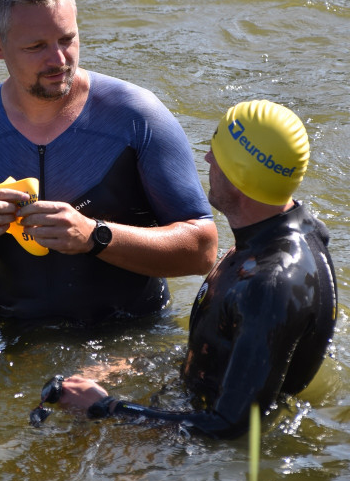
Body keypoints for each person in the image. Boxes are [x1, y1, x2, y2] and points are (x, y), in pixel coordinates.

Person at [0, 0, 217, 324]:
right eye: (36, 47)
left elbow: (202, 249)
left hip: (129, 336)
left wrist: (95, 236)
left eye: (67, 39)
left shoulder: (135, 117)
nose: (58, 60)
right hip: (8, 338)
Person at [51, 99, 338, 437]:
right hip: (197, 405)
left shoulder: (267, 286)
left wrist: (106, 408)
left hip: (218, 461)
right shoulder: (290, 230)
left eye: (217, 152)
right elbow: (231, 349)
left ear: (240, 175)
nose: (207, 158)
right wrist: (132, 365)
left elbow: (231, 428)